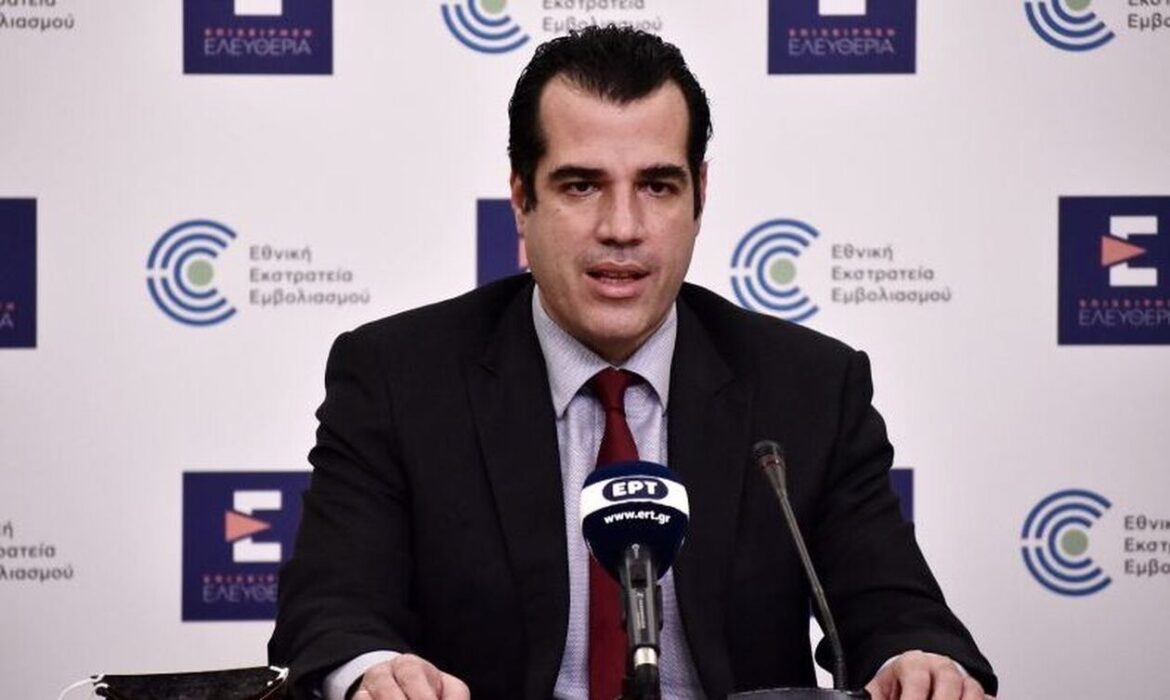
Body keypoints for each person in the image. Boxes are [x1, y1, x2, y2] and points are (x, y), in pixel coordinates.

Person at [269, 26, 998, 700]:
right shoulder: (398, 378)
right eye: (581, 185)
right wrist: (372, 675)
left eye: (657, 186)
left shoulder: (808, 386)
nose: (622, 228)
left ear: (699, 196)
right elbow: (333, 608)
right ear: (521, 198)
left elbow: (894, 608)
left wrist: (917, 660)